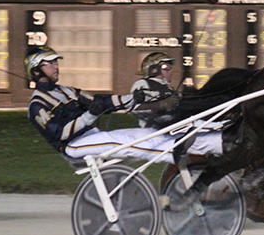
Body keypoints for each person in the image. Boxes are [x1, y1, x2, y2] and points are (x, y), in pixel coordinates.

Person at [26, 46, 222, 164]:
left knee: (151, 134)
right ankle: (174, 154)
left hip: (92, 136)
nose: (56, 66)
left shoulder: (67, 91)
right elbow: (60, 133)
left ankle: (210, 145)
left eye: (56, 62)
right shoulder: (37, 105)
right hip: (73, 146)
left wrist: (134, 98)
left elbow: (100, 102)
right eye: (49, 63)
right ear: (35, 71)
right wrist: (90, 116)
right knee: (124, 144)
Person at [129, 52, 180, 128]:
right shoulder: (143, 84)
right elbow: (135, 107)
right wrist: (162, 105)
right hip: (151, 131)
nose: (171, 71)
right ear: (153, 69)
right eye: (166, 67)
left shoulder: (168, 89)